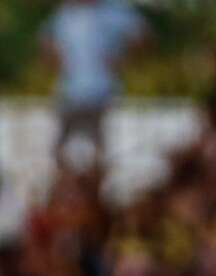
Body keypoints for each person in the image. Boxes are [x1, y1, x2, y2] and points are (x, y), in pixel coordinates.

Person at [41, 0, 149, 163]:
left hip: (100, 92)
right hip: (69, 92)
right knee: (59, 150)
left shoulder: (114, 10)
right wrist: (55, 59)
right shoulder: (66, 12)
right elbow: (47, 39)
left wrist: (123, 59)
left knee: (99, 151)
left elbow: (143, 35)